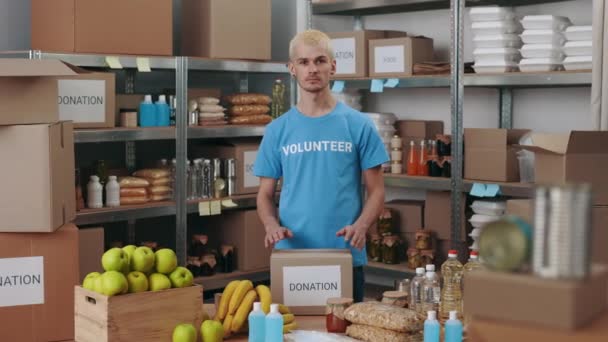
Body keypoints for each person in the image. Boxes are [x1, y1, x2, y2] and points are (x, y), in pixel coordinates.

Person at [253, 29, 389, 302]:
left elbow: (377, 192)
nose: (312, 69)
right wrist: (270, 225)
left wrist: (361, 226)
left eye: (320, 61)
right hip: (292, 254)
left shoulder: (358, 125)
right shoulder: (277, 130)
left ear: (333, 66)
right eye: (303, 62)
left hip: (344, 253)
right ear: (292, 68)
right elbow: (265, 195)